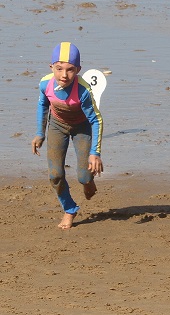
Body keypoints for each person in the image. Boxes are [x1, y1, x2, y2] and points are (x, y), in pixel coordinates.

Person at [31, 42, 104, 230]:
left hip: (82, 128)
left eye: (70, 70)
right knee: (55, 175)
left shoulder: (83, 90)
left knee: (83, 176)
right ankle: (70, 209)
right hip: (57, 126)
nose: (64, 75)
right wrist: (40, 133)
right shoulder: (45, 83)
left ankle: (88, 181)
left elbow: (96, 120)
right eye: (59, 68)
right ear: (51, 67)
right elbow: (43, 105)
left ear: (78, 69)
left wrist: (95, 153)